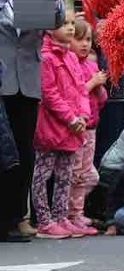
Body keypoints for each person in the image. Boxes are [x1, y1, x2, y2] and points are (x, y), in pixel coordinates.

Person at [0, 0, 62, 243]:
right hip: (1, 81)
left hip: (27, 80)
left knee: (24, 152)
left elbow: (56, 24)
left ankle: (15, 218)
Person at [31, 15, 91, 239]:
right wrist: (71, 118)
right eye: (64, 24)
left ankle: (61, 217)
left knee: (65, 175)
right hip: (53, 126)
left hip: (73, 127)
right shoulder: (46, 58)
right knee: (43, 174)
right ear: (48, 29)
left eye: (71, 24)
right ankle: (44, 221)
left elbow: (82, 90)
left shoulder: (72, 58)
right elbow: (49, 94)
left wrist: (84, 115)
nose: (69, 28)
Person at [67, 20, 107, 232]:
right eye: (79, 39)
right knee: (78, 173)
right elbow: (73, 93)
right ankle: (73, 214)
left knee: (89, 175)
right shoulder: (70, 63)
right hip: (77, 126)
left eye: (88, 40)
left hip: (92, 126)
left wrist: (99, 87)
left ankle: (75, 212)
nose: (84, 44)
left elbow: (101, 99)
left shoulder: (91, 64)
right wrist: (92, 83)